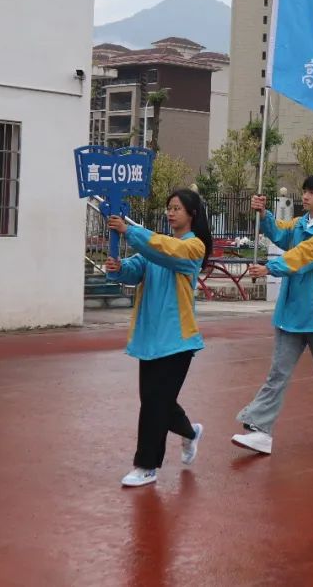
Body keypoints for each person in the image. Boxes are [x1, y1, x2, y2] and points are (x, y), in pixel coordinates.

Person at [233, 176, 313, 455]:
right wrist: (263, 213)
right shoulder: (300, 224)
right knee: (278, 373)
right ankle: (260, 430)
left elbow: (307, 254)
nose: (306, 196)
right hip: (290, 313)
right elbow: (279, 232)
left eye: (312, 192)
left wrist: (271, 267)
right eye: (305, 191)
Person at [106, 189, 211, 487]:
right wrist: (118, 269)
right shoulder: (154, 246)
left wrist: (130, 230)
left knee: (154, 404)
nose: (170, 212)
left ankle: (146, 466)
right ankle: (191, 433)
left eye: (177, 208)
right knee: (157, 401)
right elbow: (135, 268)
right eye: (168, 208)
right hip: (151, 337)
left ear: (192, 214)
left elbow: (166, 251)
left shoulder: (193, 247)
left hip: (177, 339)